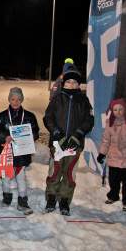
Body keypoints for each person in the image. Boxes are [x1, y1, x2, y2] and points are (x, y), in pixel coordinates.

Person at [43, 66, 94, 215]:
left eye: (74, 82)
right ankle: (51, 197)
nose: (71, 84)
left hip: (74, 143)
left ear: (79, 84)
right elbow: (48, 117)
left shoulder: (83, 100)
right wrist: (57, 133)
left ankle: (64, 199)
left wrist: (78, 134)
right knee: (55, 171)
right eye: (68, 82)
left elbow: (89, 120)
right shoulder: (57, 98)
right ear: (63, 84)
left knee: (69, 173)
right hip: (58, 143)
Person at [0, 87, 39, 215]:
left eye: (18, 99)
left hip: (22, 153)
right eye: (13, 99)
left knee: (21, 177)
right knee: (6, 177)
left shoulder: (29, 116)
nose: (15, 102)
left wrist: (28, 136)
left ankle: (22, 201)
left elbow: (35, 132)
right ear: (9, 99)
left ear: (22, 100)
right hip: (6, 153)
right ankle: (7, 197)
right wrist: (5, 137)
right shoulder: (2, 116)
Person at [97, 99, 126, 212]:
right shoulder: (109, 124)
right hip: (114, 159)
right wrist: (102, 153)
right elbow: (106, 141)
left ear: (125, 109)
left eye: (120, 109)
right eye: (115, 109)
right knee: (113, 180)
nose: (118, 112)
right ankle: (113, 196)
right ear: (112, 111)